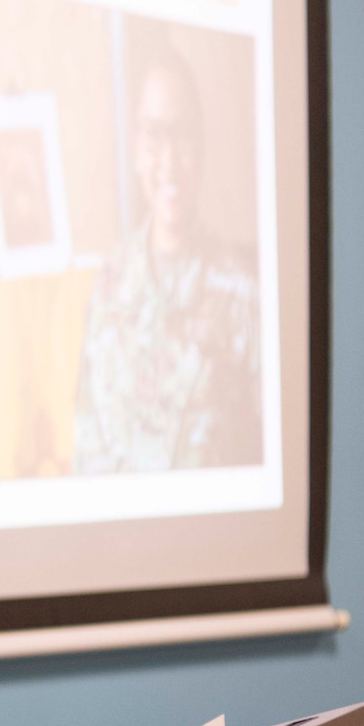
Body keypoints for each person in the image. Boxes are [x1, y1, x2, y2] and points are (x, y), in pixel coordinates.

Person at [72, 45, 263, 473]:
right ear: (137, 149)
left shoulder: (242, 291)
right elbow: (85, 443)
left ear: (203, 149)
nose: (170, 162)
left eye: (184, 136)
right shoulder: (108, 285)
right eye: (154, 136)